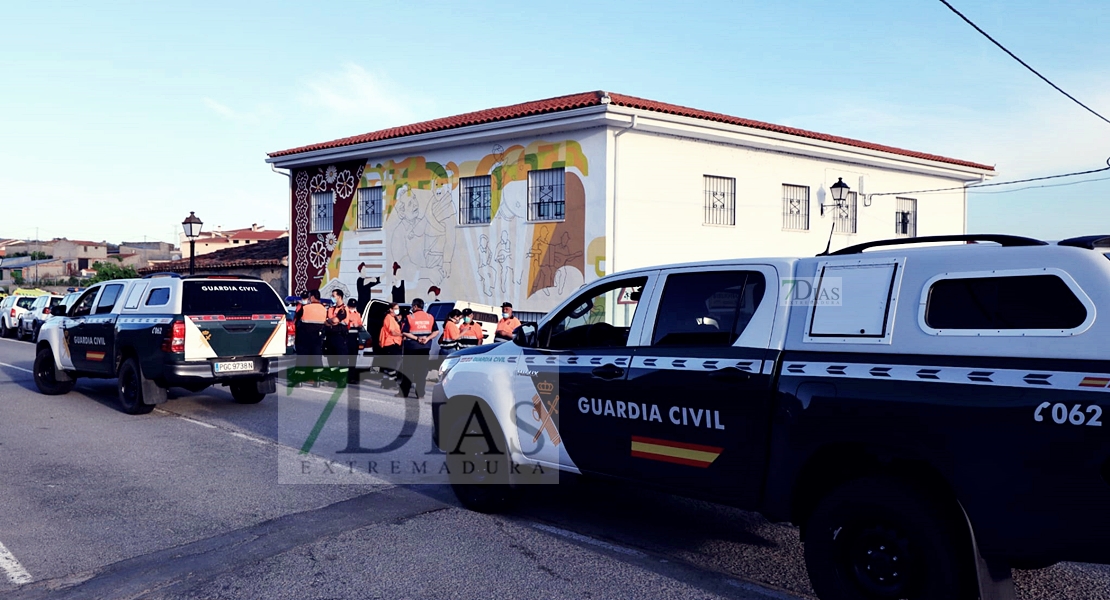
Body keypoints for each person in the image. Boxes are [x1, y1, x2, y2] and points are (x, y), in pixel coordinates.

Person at [400, 298, 438, 399]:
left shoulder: (410, 317)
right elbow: (436, 331)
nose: (412, 308)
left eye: (412, 306)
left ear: (415, 306)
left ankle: (404, 393)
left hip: (411, 348)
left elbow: (405, 332)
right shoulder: (430, 317)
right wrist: (427, 338)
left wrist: (417, 338)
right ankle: (420, 393)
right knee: (421, 371)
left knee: (408, 370)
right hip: (425, 348)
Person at [377, 302, 403, 388]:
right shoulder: (389, 318)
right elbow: (392, 331)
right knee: (392, 364)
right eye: (395, 308)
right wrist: (402, 335)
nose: (397, 310)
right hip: (391, 343)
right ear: (391, 309)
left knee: (389, 364)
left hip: (393, 342)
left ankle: (385, 382)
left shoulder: (392, 318)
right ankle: (391, 382)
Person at [298, 290, 327, 366]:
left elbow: (296, 319)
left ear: (313, 297)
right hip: (318, 338)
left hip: (305, 338)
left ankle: (302, 375)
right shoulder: (324, 309)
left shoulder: (305, 308)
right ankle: (317, 375)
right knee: (317, 358)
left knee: (303, 359)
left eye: (309, 296)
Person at [343, 298, 365, 384]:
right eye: (351, 306)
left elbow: (360, 325)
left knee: (353, 359)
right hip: (345, 337)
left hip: (354, 338)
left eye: (353, 306)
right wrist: (351, 324)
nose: (352, 308)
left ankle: (351, 377)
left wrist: (358, 325)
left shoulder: (357, 314)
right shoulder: (345, 312)